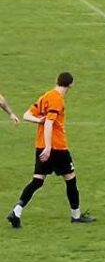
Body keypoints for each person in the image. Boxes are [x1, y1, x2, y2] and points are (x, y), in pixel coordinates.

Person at [6, 72, 96, 229]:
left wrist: (38, 120)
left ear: (56, 81)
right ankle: (76, 216)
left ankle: (16, 211)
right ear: (71, 85)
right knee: (71, 179)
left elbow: (27, 115)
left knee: (37, 181)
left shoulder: (46, 96)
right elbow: (49, 123)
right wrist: (49, 147)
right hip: (56, 147)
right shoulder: (57, 100)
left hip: (40, 145)